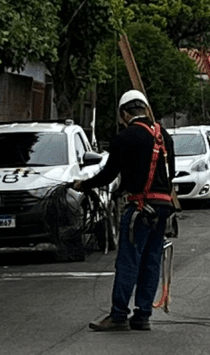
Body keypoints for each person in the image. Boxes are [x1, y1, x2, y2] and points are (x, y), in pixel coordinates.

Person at [73, 90, 176, 332]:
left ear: (124, 114)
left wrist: (83, 184)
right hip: (162, 208)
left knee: (128, 261)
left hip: (140, 208)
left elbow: (109, 174)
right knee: (151, 261)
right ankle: (143, 315)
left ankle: (118, 314)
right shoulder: (165, 137)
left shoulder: (125, 137)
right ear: (145, 110)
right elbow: (168, 173)